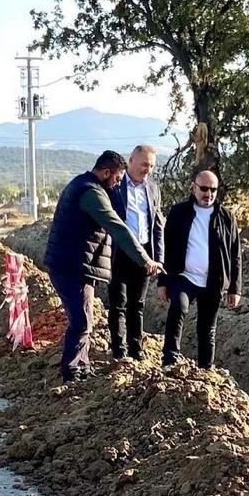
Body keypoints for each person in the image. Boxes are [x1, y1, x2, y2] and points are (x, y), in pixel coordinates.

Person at [44, 151, 163, 382]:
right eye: (117, 178)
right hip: (70, 266)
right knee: (80, 321)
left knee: (85, 318)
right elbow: (117, 227)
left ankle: (83, 366)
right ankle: (71, 371)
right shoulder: (91, 193)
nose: (118, 183)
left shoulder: (85, 185)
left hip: (78, 265)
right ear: (106, 172)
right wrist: (145, 259)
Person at [158, 166, 242, 369]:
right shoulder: (178, 213)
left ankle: (205, 369)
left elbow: (235, 254)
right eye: (204, 188)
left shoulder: (226, 217)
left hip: (213, 281)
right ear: (193, 188)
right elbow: (165, 248)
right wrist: (163, 281)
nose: (209, 194)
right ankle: (170, 362)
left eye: (213, 189)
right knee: (178, 309)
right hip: (184, 276)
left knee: (207, 328)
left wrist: (235, 289)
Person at [107, 144, 164, 360]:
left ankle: (136, 349)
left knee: (137, 304)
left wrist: (158, 258)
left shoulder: (153, 189)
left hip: (144, 254)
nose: (146, 170)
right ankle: (118, 351)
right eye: (143, 165)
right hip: (118, 253)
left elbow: (157, 225)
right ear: (131, 161)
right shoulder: (115, 187)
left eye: (150, 166)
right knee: (118, 303)